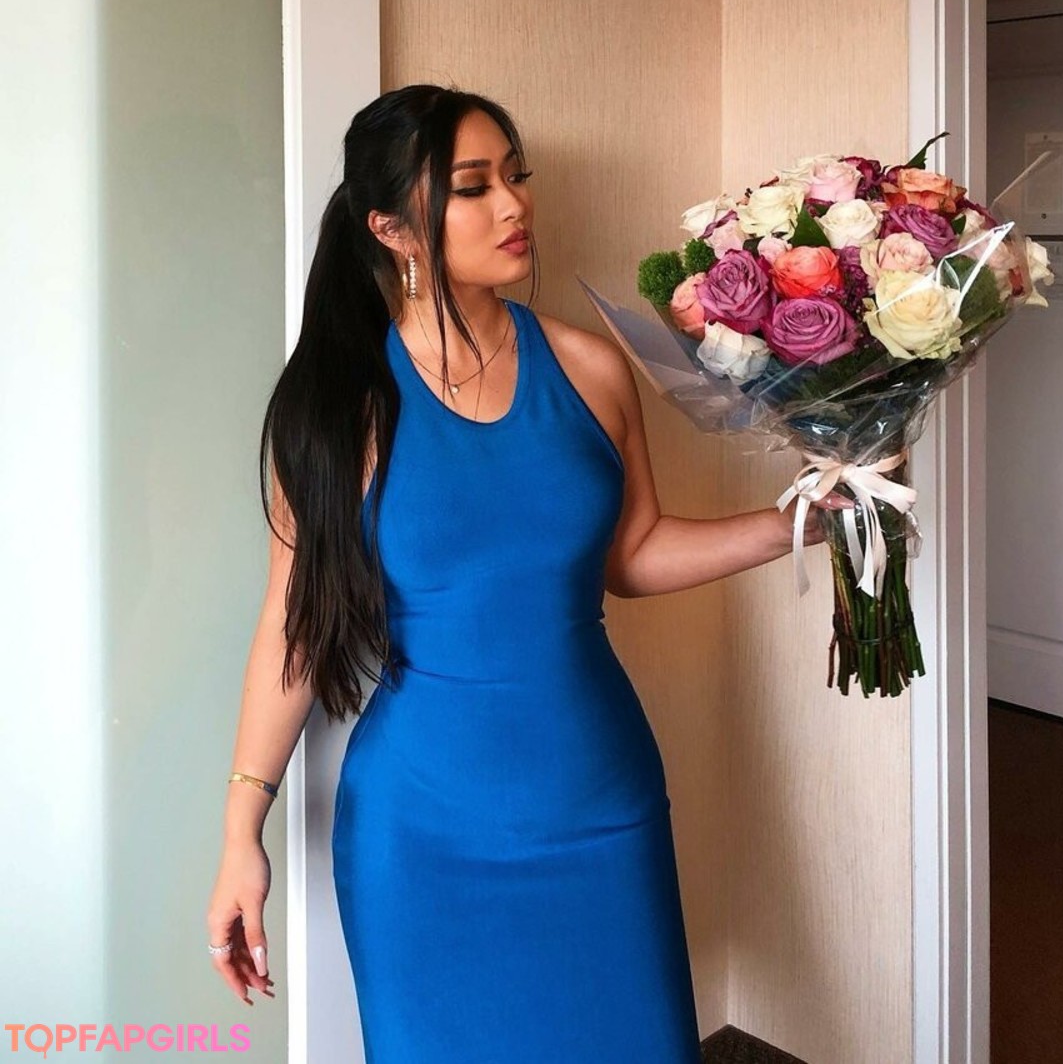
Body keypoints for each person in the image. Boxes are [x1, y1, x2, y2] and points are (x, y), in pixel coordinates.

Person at [205, 84, 846, 1061]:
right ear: (391, 229)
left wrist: (800, 523)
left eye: (516, 175)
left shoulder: (590, 368)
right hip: (420, 831)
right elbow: (294, 627)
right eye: (473, 187)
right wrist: (240, 833)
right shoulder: (337, 405)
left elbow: (632, 554)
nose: (514, 204)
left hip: (598, 797)